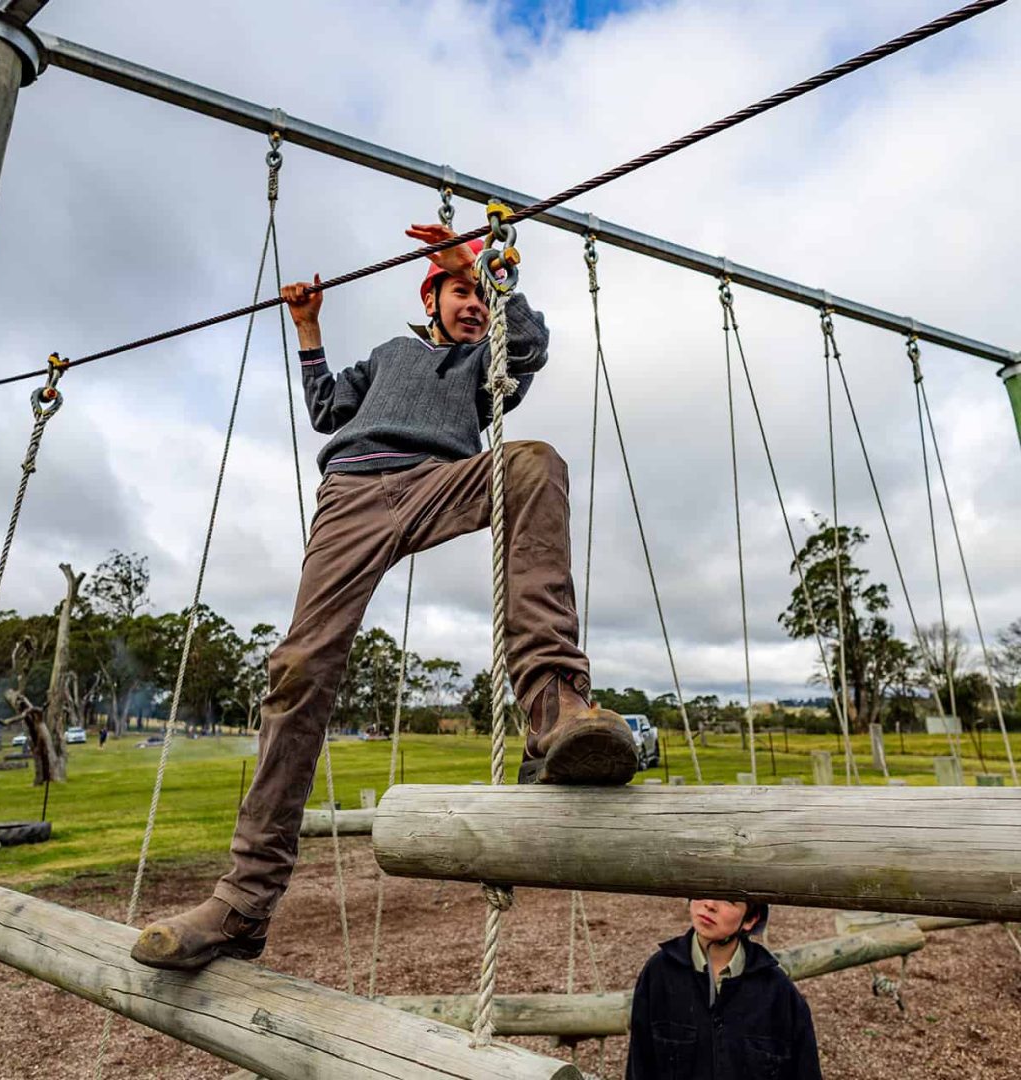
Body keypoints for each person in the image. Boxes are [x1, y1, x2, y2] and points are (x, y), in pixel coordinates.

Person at [130, 222, 638, 971]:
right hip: (352, 494)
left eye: (476, 290)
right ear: (428, 297)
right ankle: (242, 903)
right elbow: (327, 408)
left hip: (439, 480)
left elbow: (527, 349)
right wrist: (308, 327)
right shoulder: (389, 356)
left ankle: (556, 708)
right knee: (298, 669)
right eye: (458, 290)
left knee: (534, 464)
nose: (470, 302)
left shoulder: (483, 358)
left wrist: (487, 275)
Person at [626, 899, 822, 1079]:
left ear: (751, 919)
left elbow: (805, 1070)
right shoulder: (659, 973)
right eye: (705, 890)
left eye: (729, 900)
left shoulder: (777, 990)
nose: (710, 904)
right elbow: (639, 1064)